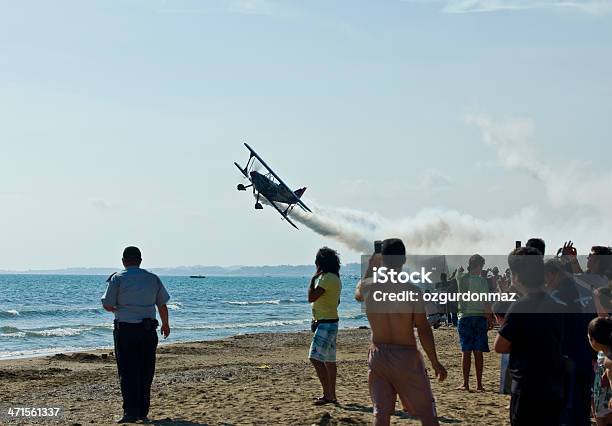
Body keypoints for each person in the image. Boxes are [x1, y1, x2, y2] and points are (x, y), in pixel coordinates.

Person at [355, 238, 447, 426]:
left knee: (381, 414)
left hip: (378, 354)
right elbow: (423, 329)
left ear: (382, 259)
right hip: (406, 356)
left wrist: (373, 265)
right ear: (404, 259)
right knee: (426, 414)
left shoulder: (368, 287)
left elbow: (358, 293)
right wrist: (435, 362)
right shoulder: (412, 291)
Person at [494, 247, 566, 426]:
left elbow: (500, 346)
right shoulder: (557, 304)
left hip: (527, 388)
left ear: (516, 276)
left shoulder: (519, 307)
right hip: (554, 387)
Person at [101, 246, 171, 424]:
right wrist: (166, 324)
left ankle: (130, 412)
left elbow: (108, 304)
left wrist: (116, 308)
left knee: (127, 371)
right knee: (146, 371)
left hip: (125, 330)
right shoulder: (152, 278)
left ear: (124, 261)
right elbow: (162, 304)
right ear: (140, 260)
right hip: (148, 331)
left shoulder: (117, 278)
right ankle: (142, 411)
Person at [544, 258, 594, 426]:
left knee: (566, 406)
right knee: (581, 403)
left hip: (566, 353)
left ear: (552, 274)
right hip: (586, 351)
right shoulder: (582, 287)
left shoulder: (558, 295)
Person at [308, 246, 342, 406]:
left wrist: (312, 280)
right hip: (331, 322)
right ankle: (331, 394)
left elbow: (311, 297)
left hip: (326, 324)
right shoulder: (335, 277)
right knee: (329, 360)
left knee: (315, 358)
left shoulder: (326, 278)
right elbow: (337, 301)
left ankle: (328, 394)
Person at [456, 254, 493, 391]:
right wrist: (489, 317)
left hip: (464, 316)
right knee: (478, 352)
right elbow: (486, 301)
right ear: (479, 265)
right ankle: (479, 384)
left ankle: (465, 383)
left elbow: (458, 273)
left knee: (466, 351)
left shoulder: (461, 278)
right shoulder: (482, 281)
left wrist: (460, 270)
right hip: (479, 317)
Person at [587, 317, 612, 426]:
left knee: (602, 420)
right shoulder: (603, 353)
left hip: (606, 402)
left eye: (588, 338)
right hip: (602, 399)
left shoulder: (608, 361)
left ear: (594, 340)